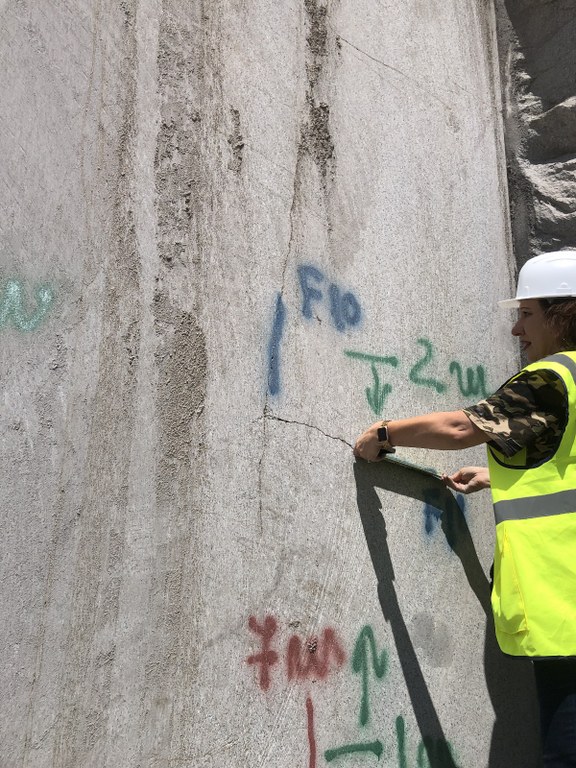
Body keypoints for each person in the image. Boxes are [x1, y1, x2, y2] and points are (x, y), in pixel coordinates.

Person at [354, 250, 576, 768]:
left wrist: (383, 433)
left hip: (566, 609)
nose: (518, 329)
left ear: (562, 312)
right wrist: (497, 479)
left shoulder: (551, 378)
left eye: (527, 313)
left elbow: (462, 428)